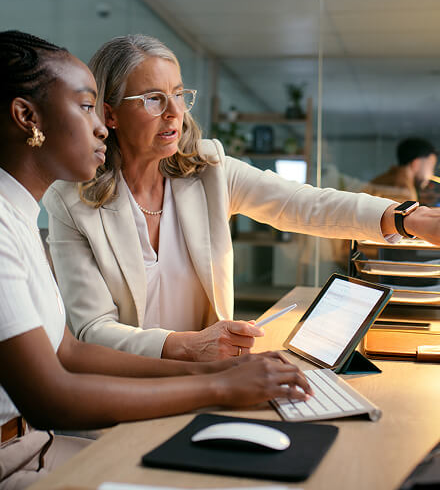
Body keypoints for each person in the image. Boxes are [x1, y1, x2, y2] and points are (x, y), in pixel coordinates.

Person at [0, 30, 314, 490]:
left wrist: (216, 368)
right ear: (26, 117)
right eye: (85, 106)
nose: (101, 126)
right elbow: (50, 397)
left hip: (34, 447)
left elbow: (69, 352)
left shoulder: (12, 212)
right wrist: (220, 388)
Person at [43, 34, 440, 362]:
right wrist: (186, 345)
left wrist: (408, 219)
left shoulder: (210, 169)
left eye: (179, 95)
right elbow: (92, 332)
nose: (174, 113)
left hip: (211, 379)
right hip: (131, 389)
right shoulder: (70, 201)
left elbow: (306, 204)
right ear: (109, 115)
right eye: (153, 99)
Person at [370, 137, 437, 202]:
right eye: (431, 167)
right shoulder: (405, 192)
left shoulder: (383, 179)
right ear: (416, 164)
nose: (432, 173)